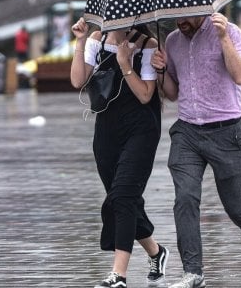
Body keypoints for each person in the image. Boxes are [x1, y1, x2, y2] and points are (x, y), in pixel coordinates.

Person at [150, 13, 241, 288]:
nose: (179, 20)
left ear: (202, 7)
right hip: (187, 132)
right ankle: (193, 273)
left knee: (235, 206)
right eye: (176, 15)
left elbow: (240, 75)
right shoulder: (172, 41)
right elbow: (172, 93)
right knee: (185, 199)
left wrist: (222, 39)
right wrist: (160, 71)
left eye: (186, 15)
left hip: (226, 130)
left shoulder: (229, 32)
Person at [70, 18, 169, 288]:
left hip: (141, 130)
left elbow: (146, 95)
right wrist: (80, 40)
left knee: (124, 195)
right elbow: (78, 80)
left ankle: (119, 275)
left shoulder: (147, 44)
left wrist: (126, 63)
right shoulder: (96, 39)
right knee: (120, 198)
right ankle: (156, 252)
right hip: (107, 132)